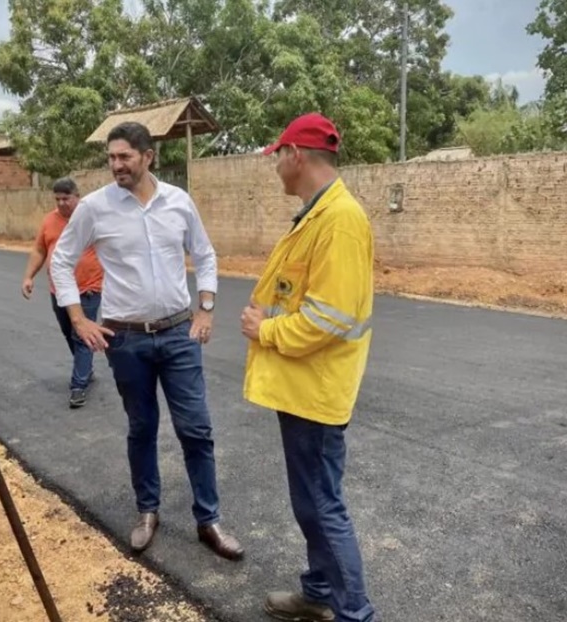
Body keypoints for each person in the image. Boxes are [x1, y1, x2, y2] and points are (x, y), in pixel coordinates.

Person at [49, 121, 243, 561]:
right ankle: (147, 512)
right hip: (126, 340)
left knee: (197, 429)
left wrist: (207, 307)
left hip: (178, 334)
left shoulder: (178, 202)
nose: (115, 164)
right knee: (142, 428)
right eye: (111, 157)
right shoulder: (95, 207)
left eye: (124, 157)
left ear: (147, 156)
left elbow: (205, 253)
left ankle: (208, 520)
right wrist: (79, 317)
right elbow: (61, 261)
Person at [240, 113, 377, 622]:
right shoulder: (318, 214)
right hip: (302, 387)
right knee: (312, 504)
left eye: (278, 155)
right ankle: (319, 594)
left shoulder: (339, 221)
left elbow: (329, 318)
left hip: (316, 393)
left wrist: (265, 329)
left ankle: (353, 614)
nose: (275, 166)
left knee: (322, 506)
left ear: (296, 154)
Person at [21, 176, 104, 408]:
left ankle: (78, 386)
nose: (61, 203)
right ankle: (85, 368)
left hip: (88, 288)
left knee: (82, 335)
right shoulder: (49, 221)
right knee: (70, 333)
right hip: (58, 290)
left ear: (77, 196)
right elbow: (39, 250)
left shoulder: (90, 218)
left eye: (66, 198)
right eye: (57, 199)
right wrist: (28, 276)